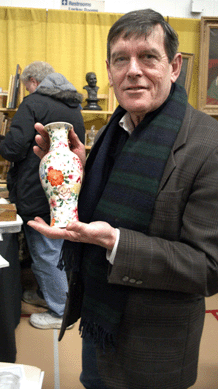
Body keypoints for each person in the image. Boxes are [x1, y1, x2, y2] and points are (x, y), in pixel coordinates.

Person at [27, 9, 218, 389]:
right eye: (120, 59)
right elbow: (107, 206)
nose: (133, 70)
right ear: (109, 70)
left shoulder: (207, 145)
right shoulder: (116, 132)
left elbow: (207, 268)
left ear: (174, 66)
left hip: (154, 348)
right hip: (98, 324)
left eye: (148, 56)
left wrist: (114, 241)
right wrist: (84, 170)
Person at [0, 61, 85, 330]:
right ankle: (54, 295)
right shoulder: (74, 106)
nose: (27, 90)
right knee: (57, 247)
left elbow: (13, 147)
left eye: (27, 86)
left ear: (34, 81)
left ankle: (61, 312)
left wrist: (0, 141)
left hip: (37, 188)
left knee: (44, 249)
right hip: (65, 189)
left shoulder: (33, 103)